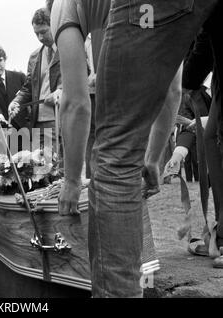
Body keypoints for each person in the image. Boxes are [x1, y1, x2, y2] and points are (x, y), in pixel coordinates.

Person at [51, 0, 221, 298]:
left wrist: (71, 180)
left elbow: (76, 103)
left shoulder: (60, 8)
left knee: (114, 159)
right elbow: (172, 89)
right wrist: (153, 156)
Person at [8, 8, 62, 152]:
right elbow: (28, 88)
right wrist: (16, 101)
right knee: (40, 171)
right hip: (37, 122)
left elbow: (80, 78)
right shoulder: (34, 57)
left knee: (62, 169)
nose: (40, 37)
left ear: (54, 25)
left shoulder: (68, 50)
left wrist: (62, 91)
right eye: (36, 33)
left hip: (62, 120)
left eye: (43, 32)